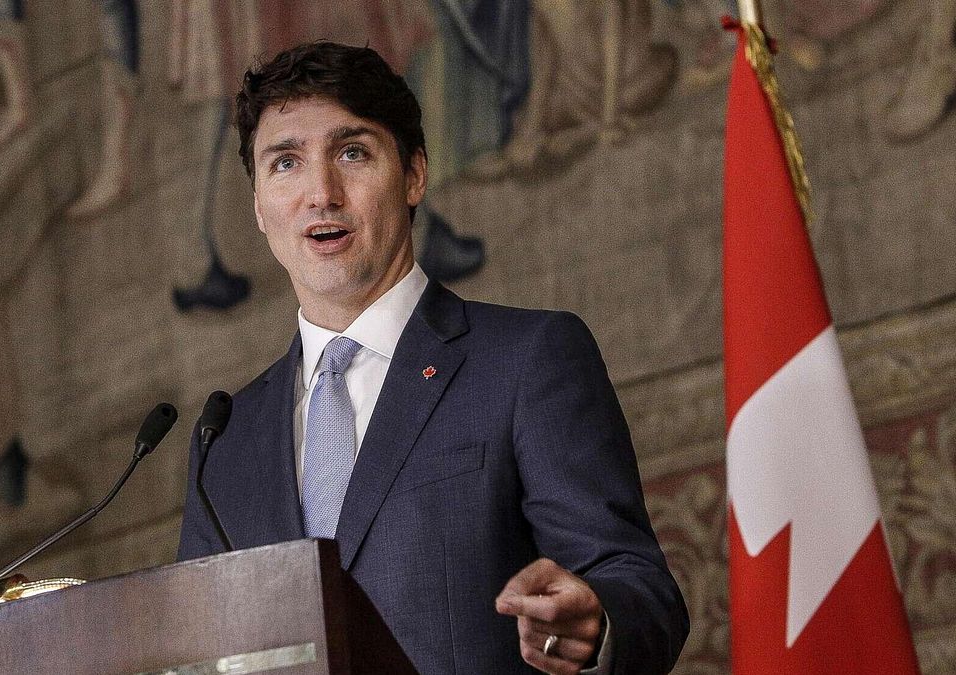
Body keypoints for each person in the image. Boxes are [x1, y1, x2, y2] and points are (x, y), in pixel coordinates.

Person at [176, 41, 688, 674]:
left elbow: (635, 582)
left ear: (414, 174)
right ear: (257, 205)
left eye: (352, 152)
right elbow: (198, 651)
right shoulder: (225, 438)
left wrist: (595, 621)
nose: (320, 193)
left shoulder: (525, 361)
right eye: (285, 163)